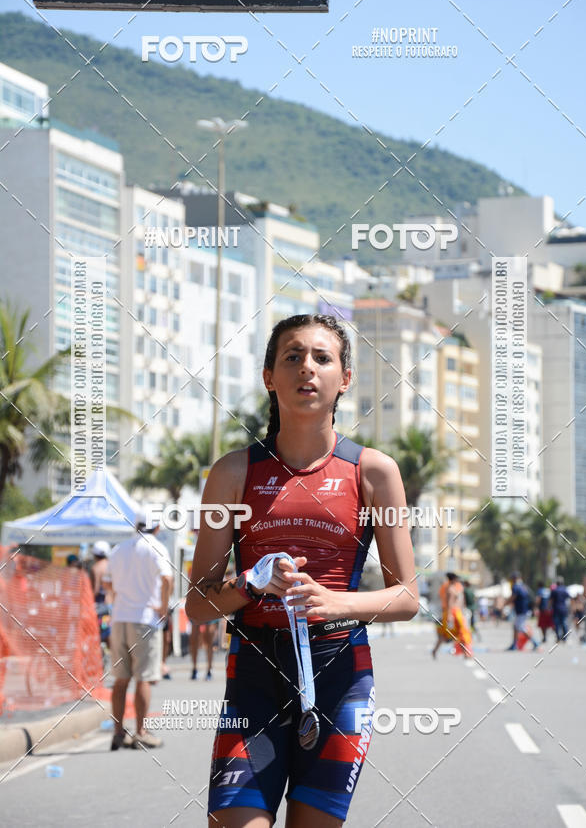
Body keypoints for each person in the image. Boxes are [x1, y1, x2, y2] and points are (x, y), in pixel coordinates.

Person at [185, 314, 419, 828]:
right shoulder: (233, 472)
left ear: (345, 378)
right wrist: (250, 584)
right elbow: (197, 605)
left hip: (339, 677)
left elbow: (406, 597)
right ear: (269, 376)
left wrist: (335, 602)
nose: (306, 368)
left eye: (322, 358)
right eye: (292, 357)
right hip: (253, 677)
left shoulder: (374, 472)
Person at [104, 517, 173, 751]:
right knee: (143, 677)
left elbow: (107, 582)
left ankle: (117, 732)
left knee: (121, 679)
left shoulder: (118, 549)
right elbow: (167, 578)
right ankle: (141, 732)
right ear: (157, 526)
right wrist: (163, 607)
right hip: (144, 619)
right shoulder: (157, 546)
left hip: (120, 618)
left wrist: (119, 599)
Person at [432, 573, 472, 658]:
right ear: (453, 579)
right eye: (456, 579)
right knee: (460, 632)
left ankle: (465, 653)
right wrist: (450, 616)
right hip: (453, 613)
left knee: (457, 633)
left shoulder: (453, 588)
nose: (457, 580)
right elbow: (450, 603)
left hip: (455, 613)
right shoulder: (450, 589)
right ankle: (466, 653)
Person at [507, 572, 538, 651]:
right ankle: (514, 645)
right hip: (524, 610)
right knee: (516, 627)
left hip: (521, 610)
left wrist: (504, 604)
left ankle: (535, 643)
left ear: (515, 578)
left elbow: (513, 597)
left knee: (521, 628)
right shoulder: (524, 586)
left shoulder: (516, 587)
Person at [550, 576, 570, 643]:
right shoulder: (565, 589)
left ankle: (558, 638)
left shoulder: (554, 590)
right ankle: (564, 638)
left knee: (557, 624)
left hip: (556, 609)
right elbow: (569, 598)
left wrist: (549, 607)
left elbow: (551, 600)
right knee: (564, 623)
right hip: (563, 609)